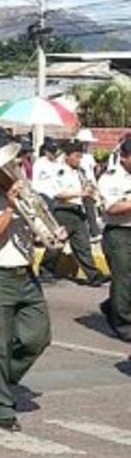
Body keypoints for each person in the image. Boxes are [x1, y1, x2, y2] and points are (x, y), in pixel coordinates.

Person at [0, 154, 52, 432]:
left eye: (17, 163)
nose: (15, 169)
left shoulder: (29, 193)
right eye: (8, 166)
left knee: (38, 336)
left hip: (25, 275)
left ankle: (0, 377)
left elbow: (38, 232)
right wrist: (8, 207)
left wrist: (51, 232)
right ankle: (2, 405)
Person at [39, 140, 108, 286]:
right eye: (76, 156)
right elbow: (57, 193)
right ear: (67, 157)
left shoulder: (80, 171)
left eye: (80, 156)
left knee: (82, 245)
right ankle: (45, 270)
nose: (79, 159)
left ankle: (93, 276)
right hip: (64, 211)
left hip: (77, 211)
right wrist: (81, 193)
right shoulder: (60, 171)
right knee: (56, 245)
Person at [98, 137, 131, 342]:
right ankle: (124, 324)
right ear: (124, 157)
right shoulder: (110, 178)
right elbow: (112, 208)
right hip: (119, 233)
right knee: (123, 279)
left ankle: (113, 305)